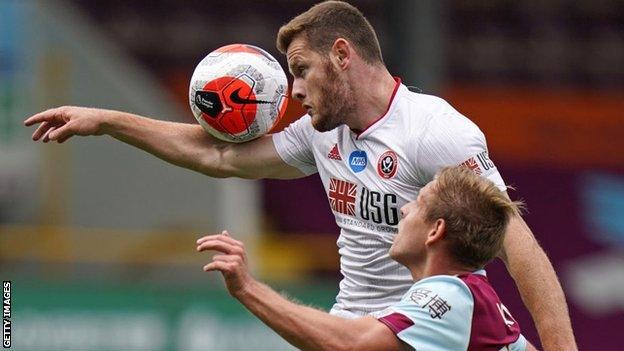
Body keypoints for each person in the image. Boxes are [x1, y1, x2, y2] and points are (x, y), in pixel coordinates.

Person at [23, 1, 575, 349]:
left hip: (413, 332)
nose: (294, 92)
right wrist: (108, 121)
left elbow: (516, 243)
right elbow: (217, 156)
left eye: (302, 71)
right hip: (353, 326)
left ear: (342, 55)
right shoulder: (321, 134)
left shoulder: (436, 132)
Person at [196, 167, 537, 351]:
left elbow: (350, 343)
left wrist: (248, 289)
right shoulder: (476, 298)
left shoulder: (450, 295)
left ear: (435, 231)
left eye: (417, 203)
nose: (403, 209)